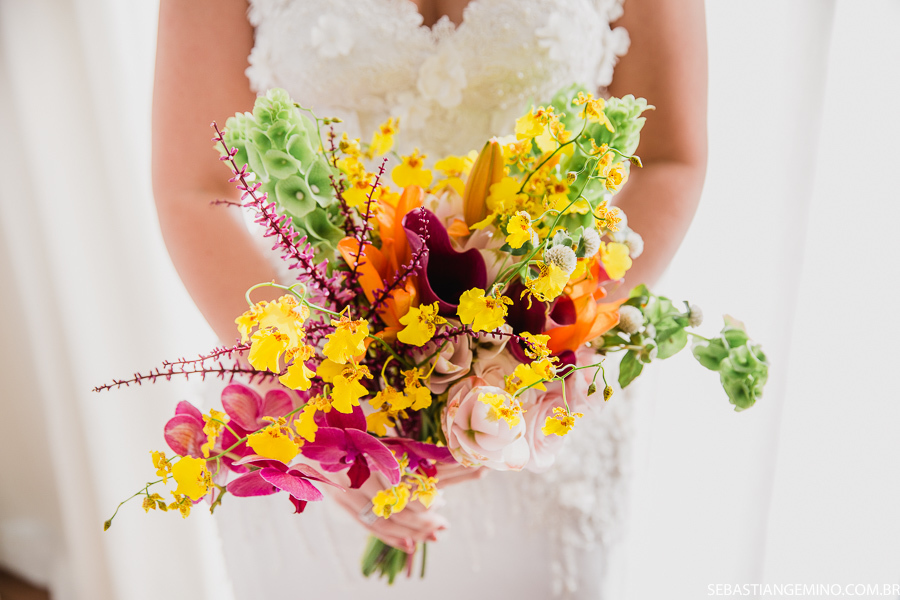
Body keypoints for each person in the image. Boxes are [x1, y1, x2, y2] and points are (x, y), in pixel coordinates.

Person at [152, 0, 707, 596]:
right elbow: (194, 187)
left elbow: (669, 157)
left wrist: (549, 341)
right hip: (304, 390)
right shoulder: (312, 406)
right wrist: (319, 409)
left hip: (539, 407)